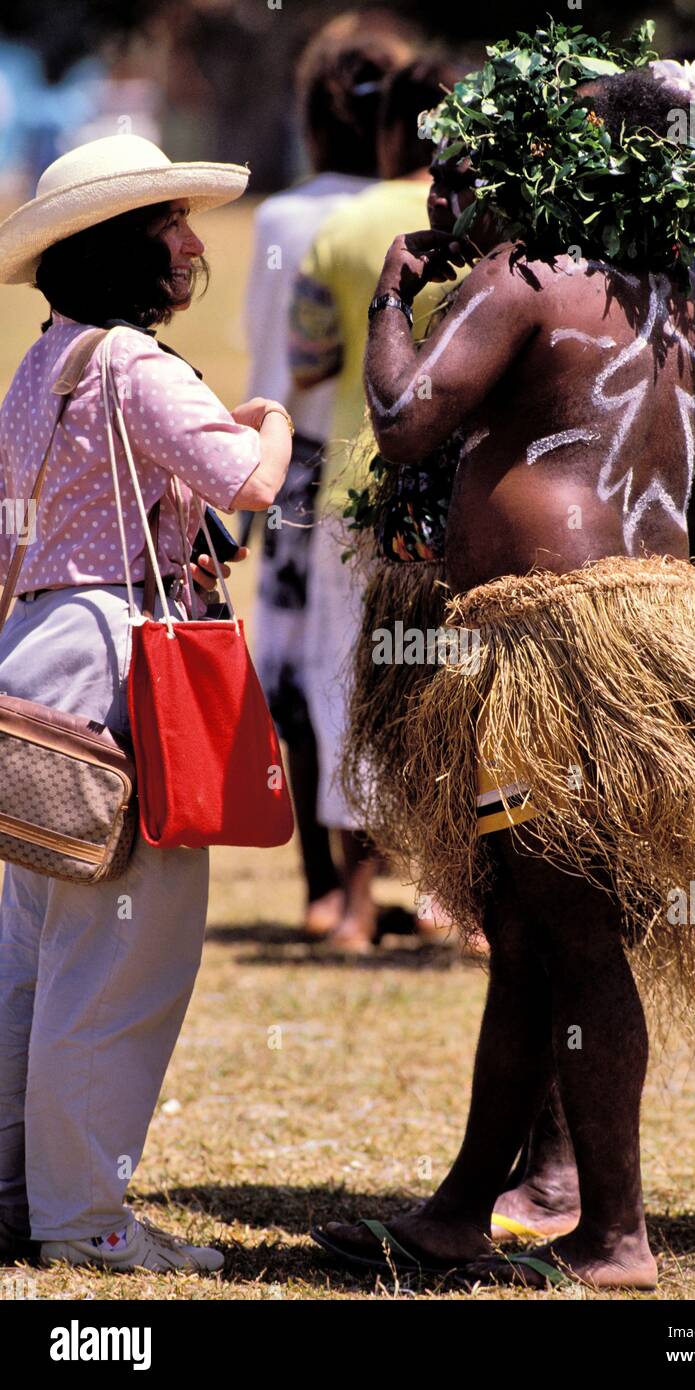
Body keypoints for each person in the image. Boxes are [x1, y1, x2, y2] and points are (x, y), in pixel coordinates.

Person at [312, 23, 695, 1289]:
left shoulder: (523, 279)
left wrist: (398, 292)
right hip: (652, 641)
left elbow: (397, 420)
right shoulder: (693, 317)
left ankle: (613, 1234)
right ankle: (459, 1209)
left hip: (549, 648)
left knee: (569, 926)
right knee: (529, 921)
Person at [0, 133, 292, 1272]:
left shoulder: (44, 366)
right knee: (121, 955)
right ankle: (90, 1219)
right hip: (122, 659)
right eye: (168, 224)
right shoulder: (137, 366)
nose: (189, 242)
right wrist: (265, 417)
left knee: (30, 947)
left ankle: (22, 1191)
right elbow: (248, 484)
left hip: (34, 656)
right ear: (124, 249)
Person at [290, 56, 465, 952]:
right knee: (454, 691)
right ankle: (449, 901)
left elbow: (309, 357)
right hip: (464, 497)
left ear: (390, 129)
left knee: (344, 691)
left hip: (360, 493)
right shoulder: (503, 224)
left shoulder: (341, 223)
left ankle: (355, 904)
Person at [245, 15, 411, 936]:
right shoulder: (412, 214)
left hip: (298, 465)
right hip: (387, 462)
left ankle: (322, 884)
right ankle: (384, 873)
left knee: (299, 671)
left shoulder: (288, 217)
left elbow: (281, 358)